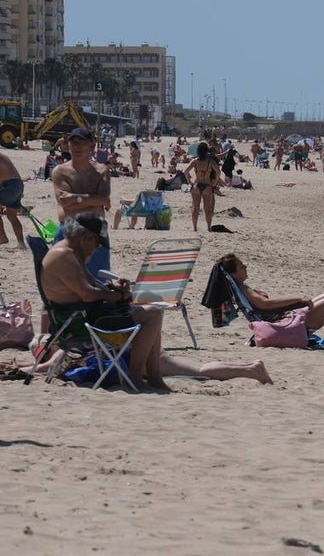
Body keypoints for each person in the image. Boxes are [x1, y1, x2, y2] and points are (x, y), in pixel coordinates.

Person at [38, 215, 273, 390]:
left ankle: (150, 375)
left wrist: (113, 290)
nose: (97, 247)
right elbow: (88, 295)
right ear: (86, 238)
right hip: (84, 326)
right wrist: (119, 296)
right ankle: (138, 375)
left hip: (88, 322)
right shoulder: (65, 256)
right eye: (97, 242)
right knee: (154, 314)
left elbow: (90, 290)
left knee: (153, 316)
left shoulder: (69, 254)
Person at [217, 253, 324, 352]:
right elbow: (265, 304)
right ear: (234, 274)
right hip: (286, 325)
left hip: (284, 318)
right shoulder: (243, 289)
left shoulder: (242, 288)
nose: (246, 267)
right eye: (242, 266)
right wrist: (297, 300)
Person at [51, 128, 113, 275]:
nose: (76, 146)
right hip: (69, 228)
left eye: (81, 142)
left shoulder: (102, 170)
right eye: (73, 142)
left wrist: (75, 198)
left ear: (91, 147)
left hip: (97, 229)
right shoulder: (60, 172)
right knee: (66, 279)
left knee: (100, 279)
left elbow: (104, 199)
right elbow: (66, 207)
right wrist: (94, 201)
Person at [185, 141, 222, 230]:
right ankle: (208, 227)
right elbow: (218, 172)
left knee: (195, 207)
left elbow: (185, 172)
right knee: (207, 208)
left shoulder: (195, 161)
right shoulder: (210, 161)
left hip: (196, 185)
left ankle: (195, 227)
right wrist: (214, 183)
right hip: (207, 185)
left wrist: (189, 182)